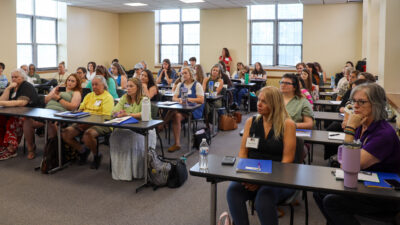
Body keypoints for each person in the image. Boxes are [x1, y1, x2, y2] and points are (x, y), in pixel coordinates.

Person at [313, 83, 400, 225]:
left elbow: (349, 165)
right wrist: (353, 128)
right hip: (363, 182)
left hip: (384, 194)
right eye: (354, 101)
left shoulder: (383, 134)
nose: (356, 106)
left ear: (376, 104)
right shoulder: (364, 125)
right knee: (319, 192)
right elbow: (346, 161)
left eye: (362, 102)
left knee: (332, 201)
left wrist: (350, 128)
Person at [226, 86, 296, 225]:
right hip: (251, 175)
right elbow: (243, 154)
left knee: (263, 200)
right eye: (258, 100)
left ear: (275, 104)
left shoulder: (288, 124)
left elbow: (286, 162)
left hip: (278, 178)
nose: (258, 104)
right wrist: (247, 177)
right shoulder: (251, 122)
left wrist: (260, 181)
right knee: (233, 192)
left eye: (264, 101)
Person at [23, 73, 82, 159]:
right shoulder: (59, 88)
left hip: (61, 115)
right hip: (46, 112)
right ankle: (31, 149)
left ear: (77, 83)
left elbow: (73, 107)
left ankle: (52, 152)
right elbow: (46, 100)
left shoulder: (76, 93)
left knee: (51, 123)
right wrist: (54, 93)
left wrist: (58, 98)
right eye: (69, 80)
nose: (70, 82)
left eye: (73, 81)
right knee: (27, 121)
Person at [62, 75, 114, 169]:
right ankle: (82, 151)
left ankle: (96, 155)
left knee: (88, 134)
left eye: (96, 84)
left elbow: (104, 117)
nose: (94, 87)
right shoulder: (89, 95)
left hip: (102, 123)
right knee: (66, 133)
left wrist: (86, 123)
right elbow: (81, 109)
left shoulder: (108, 97)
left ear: (103, 85)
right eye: (93, 84)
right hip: (84, 121)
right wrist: (76, 116)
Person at [109, 78, 156, 180]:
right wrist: (117, 113)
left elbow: (145, 114)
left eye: (131, 86)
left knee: (129, 139)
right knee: (115, 136)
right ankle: (122, 171)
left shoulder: (145, 99)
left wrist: (128, 114)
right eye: (127, 86)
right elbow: (114, 111)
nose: (128, 89)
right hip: (127, 126)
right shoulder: (124, 97)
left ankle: (136, 171)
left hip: (143, 129)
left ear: (138, 87)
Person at [0, 69, 39, 160]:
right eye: (12, 77)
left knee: (14, 121)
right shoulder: (12, 87)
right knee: (1, 118)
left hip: (28, 115)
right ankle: (2, 145)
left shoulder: (26, 86)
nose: (13, 79)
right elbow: (2, 100)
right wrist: (8, 88)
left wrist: (2, 103)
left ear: (23, 78)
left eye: (16, 77)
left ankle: (11, 148)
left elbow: (22, 103)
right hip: (13, 112)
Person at [163, 67, 204, 152]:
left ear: (190, 74)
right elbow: (174, 98)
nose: (183, 75)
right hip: (181, 109)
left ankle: (162, 124)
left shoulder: (197, 85)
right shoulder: (180, 84)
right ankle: (177, 144)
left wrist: (188, 99)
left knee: (173, 111)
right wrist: (179, 100)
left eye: (185, 73)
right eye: (182, 73)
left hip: (194, 110)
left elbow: (201, 100)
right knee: (176, 115)